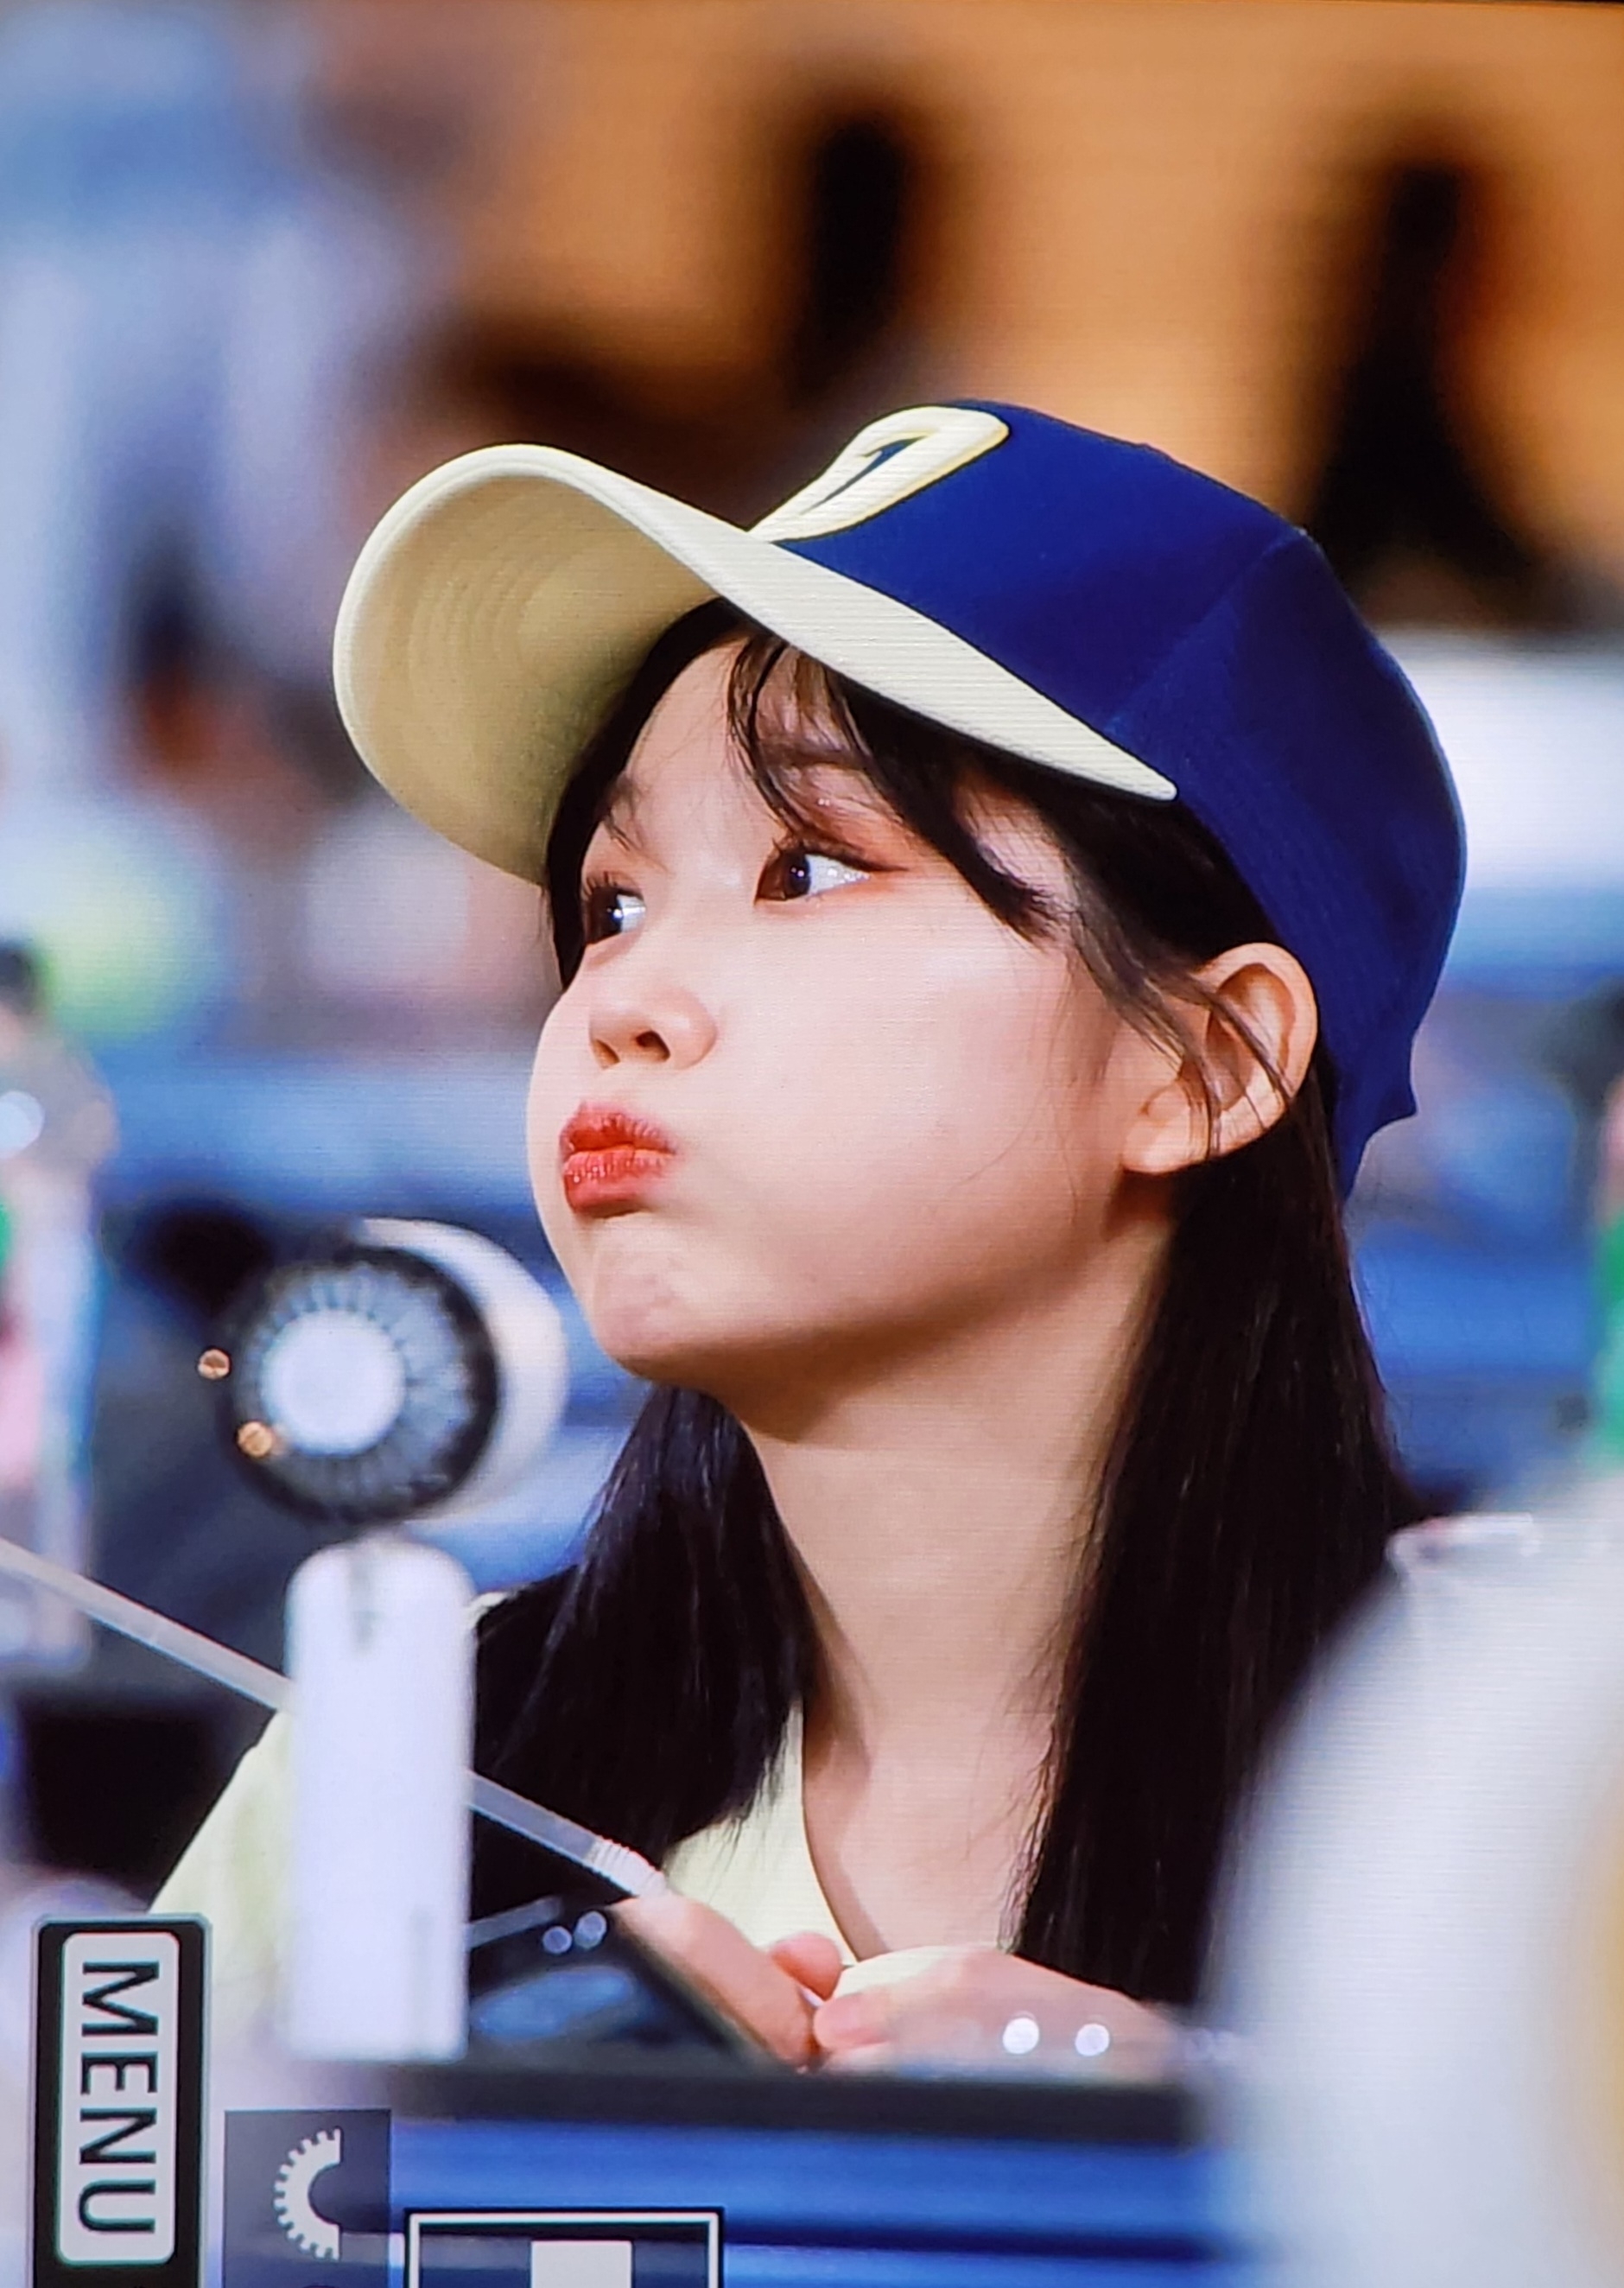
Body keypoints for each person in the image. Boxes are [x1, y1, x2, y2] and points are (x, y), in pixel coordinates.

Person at [159, 401, 1463, 2070]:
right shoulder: (399, 1772)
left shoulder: (1528, 1793)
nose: (625, 999)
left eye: (810, 869)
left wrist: (1203, 2131)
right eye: (612, 902)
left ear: (1207, 1064)